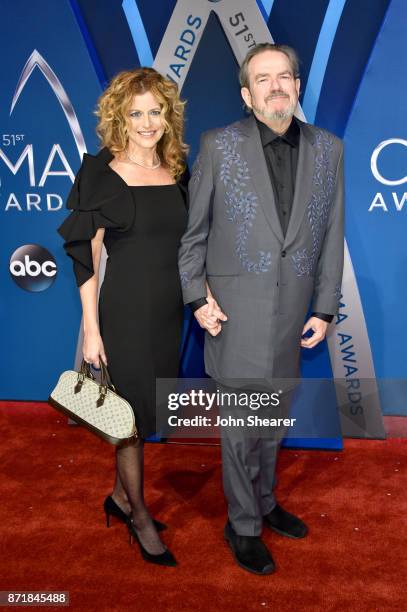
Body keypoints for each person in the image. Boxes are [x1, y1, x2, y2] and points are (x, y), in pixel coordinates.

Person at [178, 43, 344, 575]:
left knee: (271, 425)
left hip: (294, 316)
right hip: (233, 314)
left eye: (284, 77)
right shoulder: (218, 145)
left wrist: (323, 308)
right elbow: (193, 237)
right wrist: (196, 296)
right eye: (263, 79)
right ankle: (243, 524)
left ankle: (266, 504)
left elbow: (331, 235)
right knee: (240, 431)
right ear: (248, 95)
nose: (276, 86)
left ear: (298, 86)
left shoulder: (330, 149)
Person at [58, 67, 189, 567]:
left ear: (167, 115)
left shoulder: (178, 173)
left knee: (144, 411)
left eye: (156, 111)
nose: (148, 122)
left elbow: (190, 246)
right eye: (136, 113)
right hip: (126, 312)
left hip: (167, 315)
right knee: (128, 420)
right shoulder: (102, 176)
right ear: (119, 117)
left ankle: (117, 496)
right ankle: (138, 516)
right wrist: (91, 329)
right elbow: (84, 256)